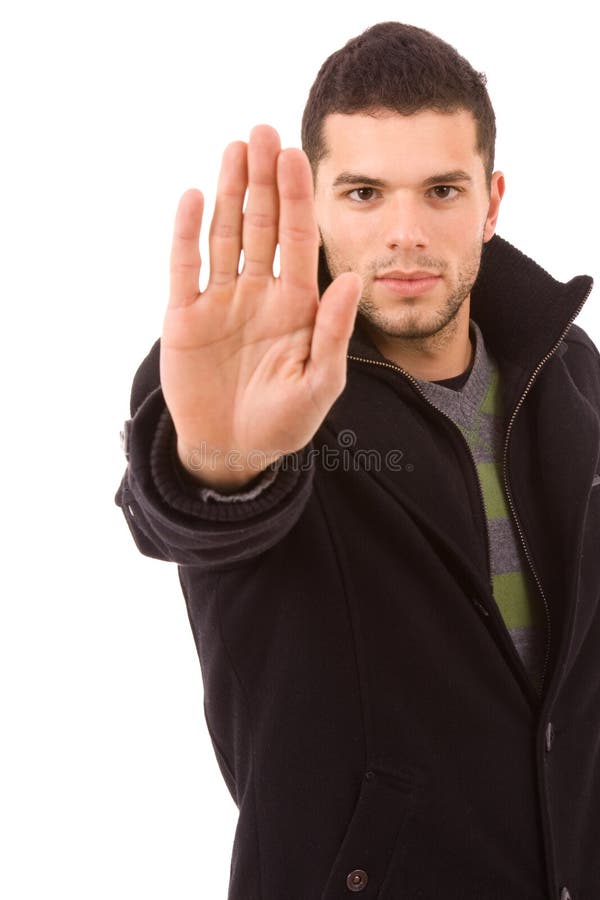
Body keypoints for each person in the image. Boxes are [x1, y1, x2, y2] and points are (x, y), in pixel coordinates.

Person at [115, 21, 600, 900]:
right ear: (317, 202)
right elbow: (184, 506)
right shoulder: (248, 378)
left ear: (491, 203)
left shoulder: (571, 371)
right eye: (366, 192)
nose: (406, 232)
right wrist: (224, 460)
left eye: (442, 191)